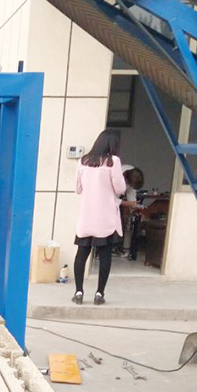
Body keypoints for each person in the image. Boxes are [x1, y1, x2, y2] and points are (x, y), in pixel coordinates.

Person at [72, 129, 127, 305]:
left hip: (86, 216)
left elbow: (78, 189)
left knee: (82, 253)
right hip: (105, 217)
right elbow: (120, 189)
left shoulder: (83, 161)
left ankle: (78, 292)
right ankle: (99, 294)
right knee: (104, 255)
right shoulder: (113, 161)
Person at [119, 165, 145, 260]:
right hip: (108, 200)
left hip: (118, 199)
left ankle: (117, 246)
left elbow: (131, 194)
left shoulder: (134, 176)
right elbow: (110, 199)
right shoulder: (117, 175)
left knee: (121, 223)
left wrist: (134, 207)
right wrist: (127, 203)